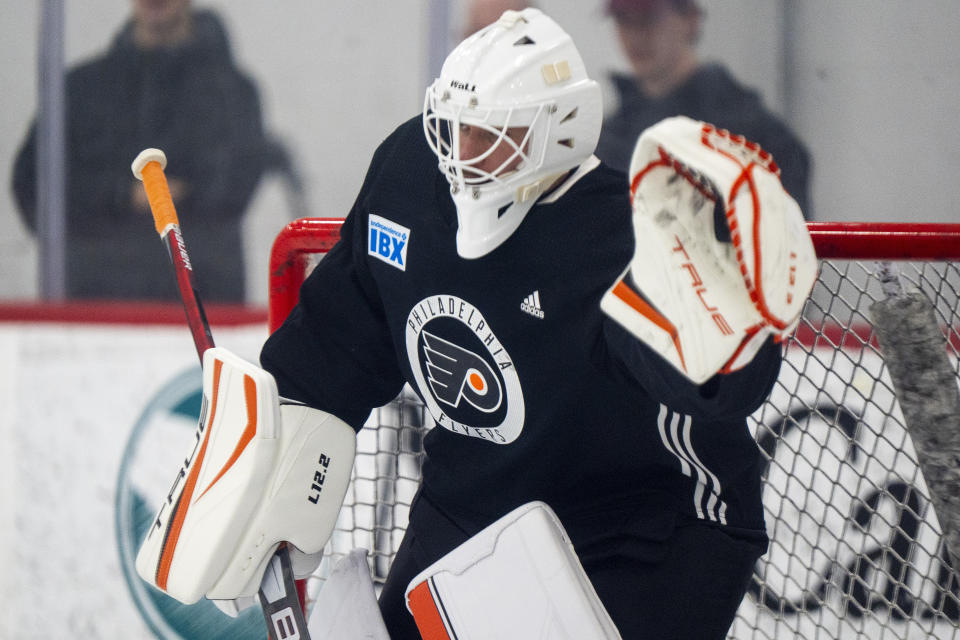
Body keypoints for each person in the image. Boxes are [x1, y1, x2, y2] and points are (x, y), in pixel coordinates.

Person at [256, 8, 814, 638]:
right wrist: (267, 456)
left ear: (560, 132)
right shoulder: (408, 173)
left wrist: (729, 336)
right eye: (454, 129)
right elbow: (338, 337)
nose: (463, 156)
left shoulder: (615, 233)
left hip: (640, 524)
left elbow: (712, 388)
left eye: (492, 136)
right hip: (473, 495)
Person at [11, 0, 267, 302]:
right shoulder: (82, 89)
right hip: (91, 311)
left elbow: (235, 186)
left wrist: (162, 197)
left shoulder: (232, 93)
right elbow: (35, 188)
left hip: (201, 310)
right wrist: (123, 194)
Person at [597, 0, 812, 217]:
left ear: (691, 19)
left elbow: (788, 242)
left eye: (648, 20)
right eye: (623, 20)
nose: (635, 36)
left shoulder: (756, 137)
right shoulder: (607, 142)